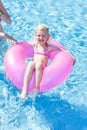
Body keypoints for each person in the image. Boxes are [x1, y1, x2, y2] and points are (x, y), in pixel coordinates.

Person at [20, 24, 76, 99]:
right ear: (35, 35)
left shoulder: (48, 47)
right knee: (30, 63)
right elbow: (23, 45)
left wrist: (70, 56)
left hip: (41, 68)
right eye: (39, 35)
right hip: (33, 66)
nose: (41, 38)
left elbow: (61, 50)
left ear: (47, 37)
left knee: (39, 64)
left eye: (43, 36)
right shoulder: (34, 45)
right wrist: (15, 43)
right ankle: (25, 88)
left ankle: (36, 87)